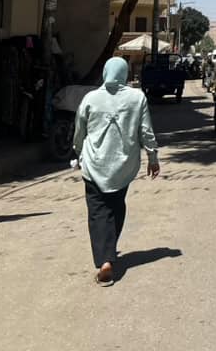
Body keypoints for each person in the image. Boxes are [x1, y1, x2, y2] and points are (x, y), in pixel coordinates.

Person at [72, 57, 160, 286]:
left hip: (94, 164)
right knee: (116, 206)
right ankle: (108, 253)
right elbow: (146, 130)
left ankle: (105, 260)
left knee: (97, 212)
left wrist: (79, 152)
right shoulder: (137, 97)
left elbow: (80, 130)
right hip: (122, 167)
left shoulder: (90, 98)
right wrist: (152, 156)